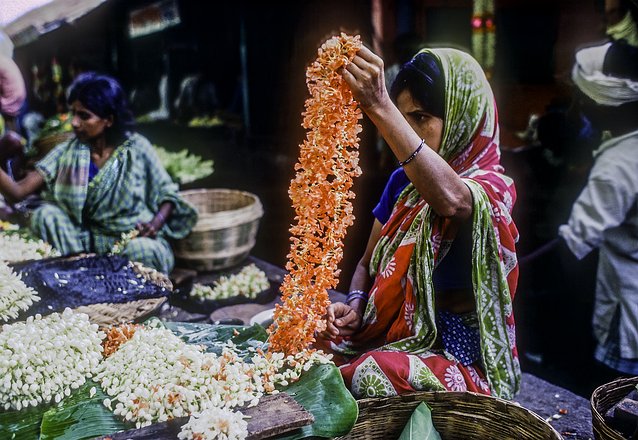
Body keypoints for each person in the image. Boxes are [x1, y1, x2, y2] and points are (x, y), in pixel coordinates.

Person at [318, 46, 520, 400]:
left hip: (452, 356)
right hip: (389, 335)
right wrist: (353, 303)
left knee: (373, 373)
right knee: (311, 332)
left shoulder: (490, 190)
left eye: (422, 117)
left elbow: (452, 202)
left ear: (463, 118)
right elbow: (366, 262)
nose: (408, 130)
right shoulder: (401, 183)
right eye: (402, 116)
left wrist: (380, 106)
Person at [0, 72, 198, 273]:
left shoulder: (137, 149)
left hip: (130, 240)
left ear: (108, 120)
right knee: (46, 215)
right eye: (73, 113)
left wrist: (154, 224)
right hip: (84, 246)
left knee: (144, 251)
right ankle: (83, 273)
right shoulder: (67, 150)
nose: (74, 123)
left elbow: (168, 194)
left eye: (84, 116)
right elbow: (18, 191)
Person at [558, 40, 638, 377]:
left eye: (583, 99)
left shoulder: (617, 165)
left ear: (605, 103)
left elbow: (574, 245)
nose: (578, 108)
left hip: (627, 309)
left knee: (613, 404)